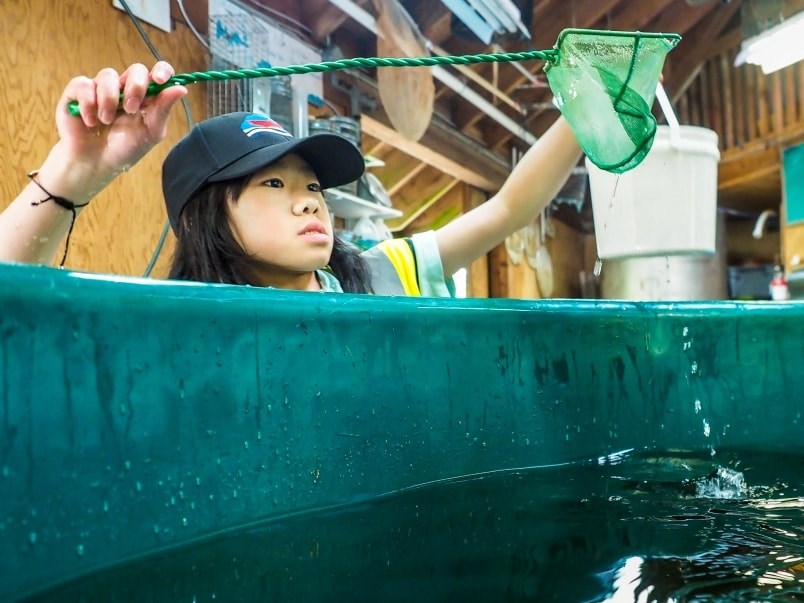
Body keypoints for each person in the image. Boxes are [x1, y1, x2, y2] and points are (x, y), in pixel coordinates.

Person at [0, 61, 582, 296]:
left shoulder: (379, 276)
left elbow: (507, 210)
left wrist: (586, 111)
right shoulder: (181, 321)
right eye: (272, 185)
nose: (309, 204)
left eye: (311, 186)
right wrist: (74, 173)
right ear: (206, 216)